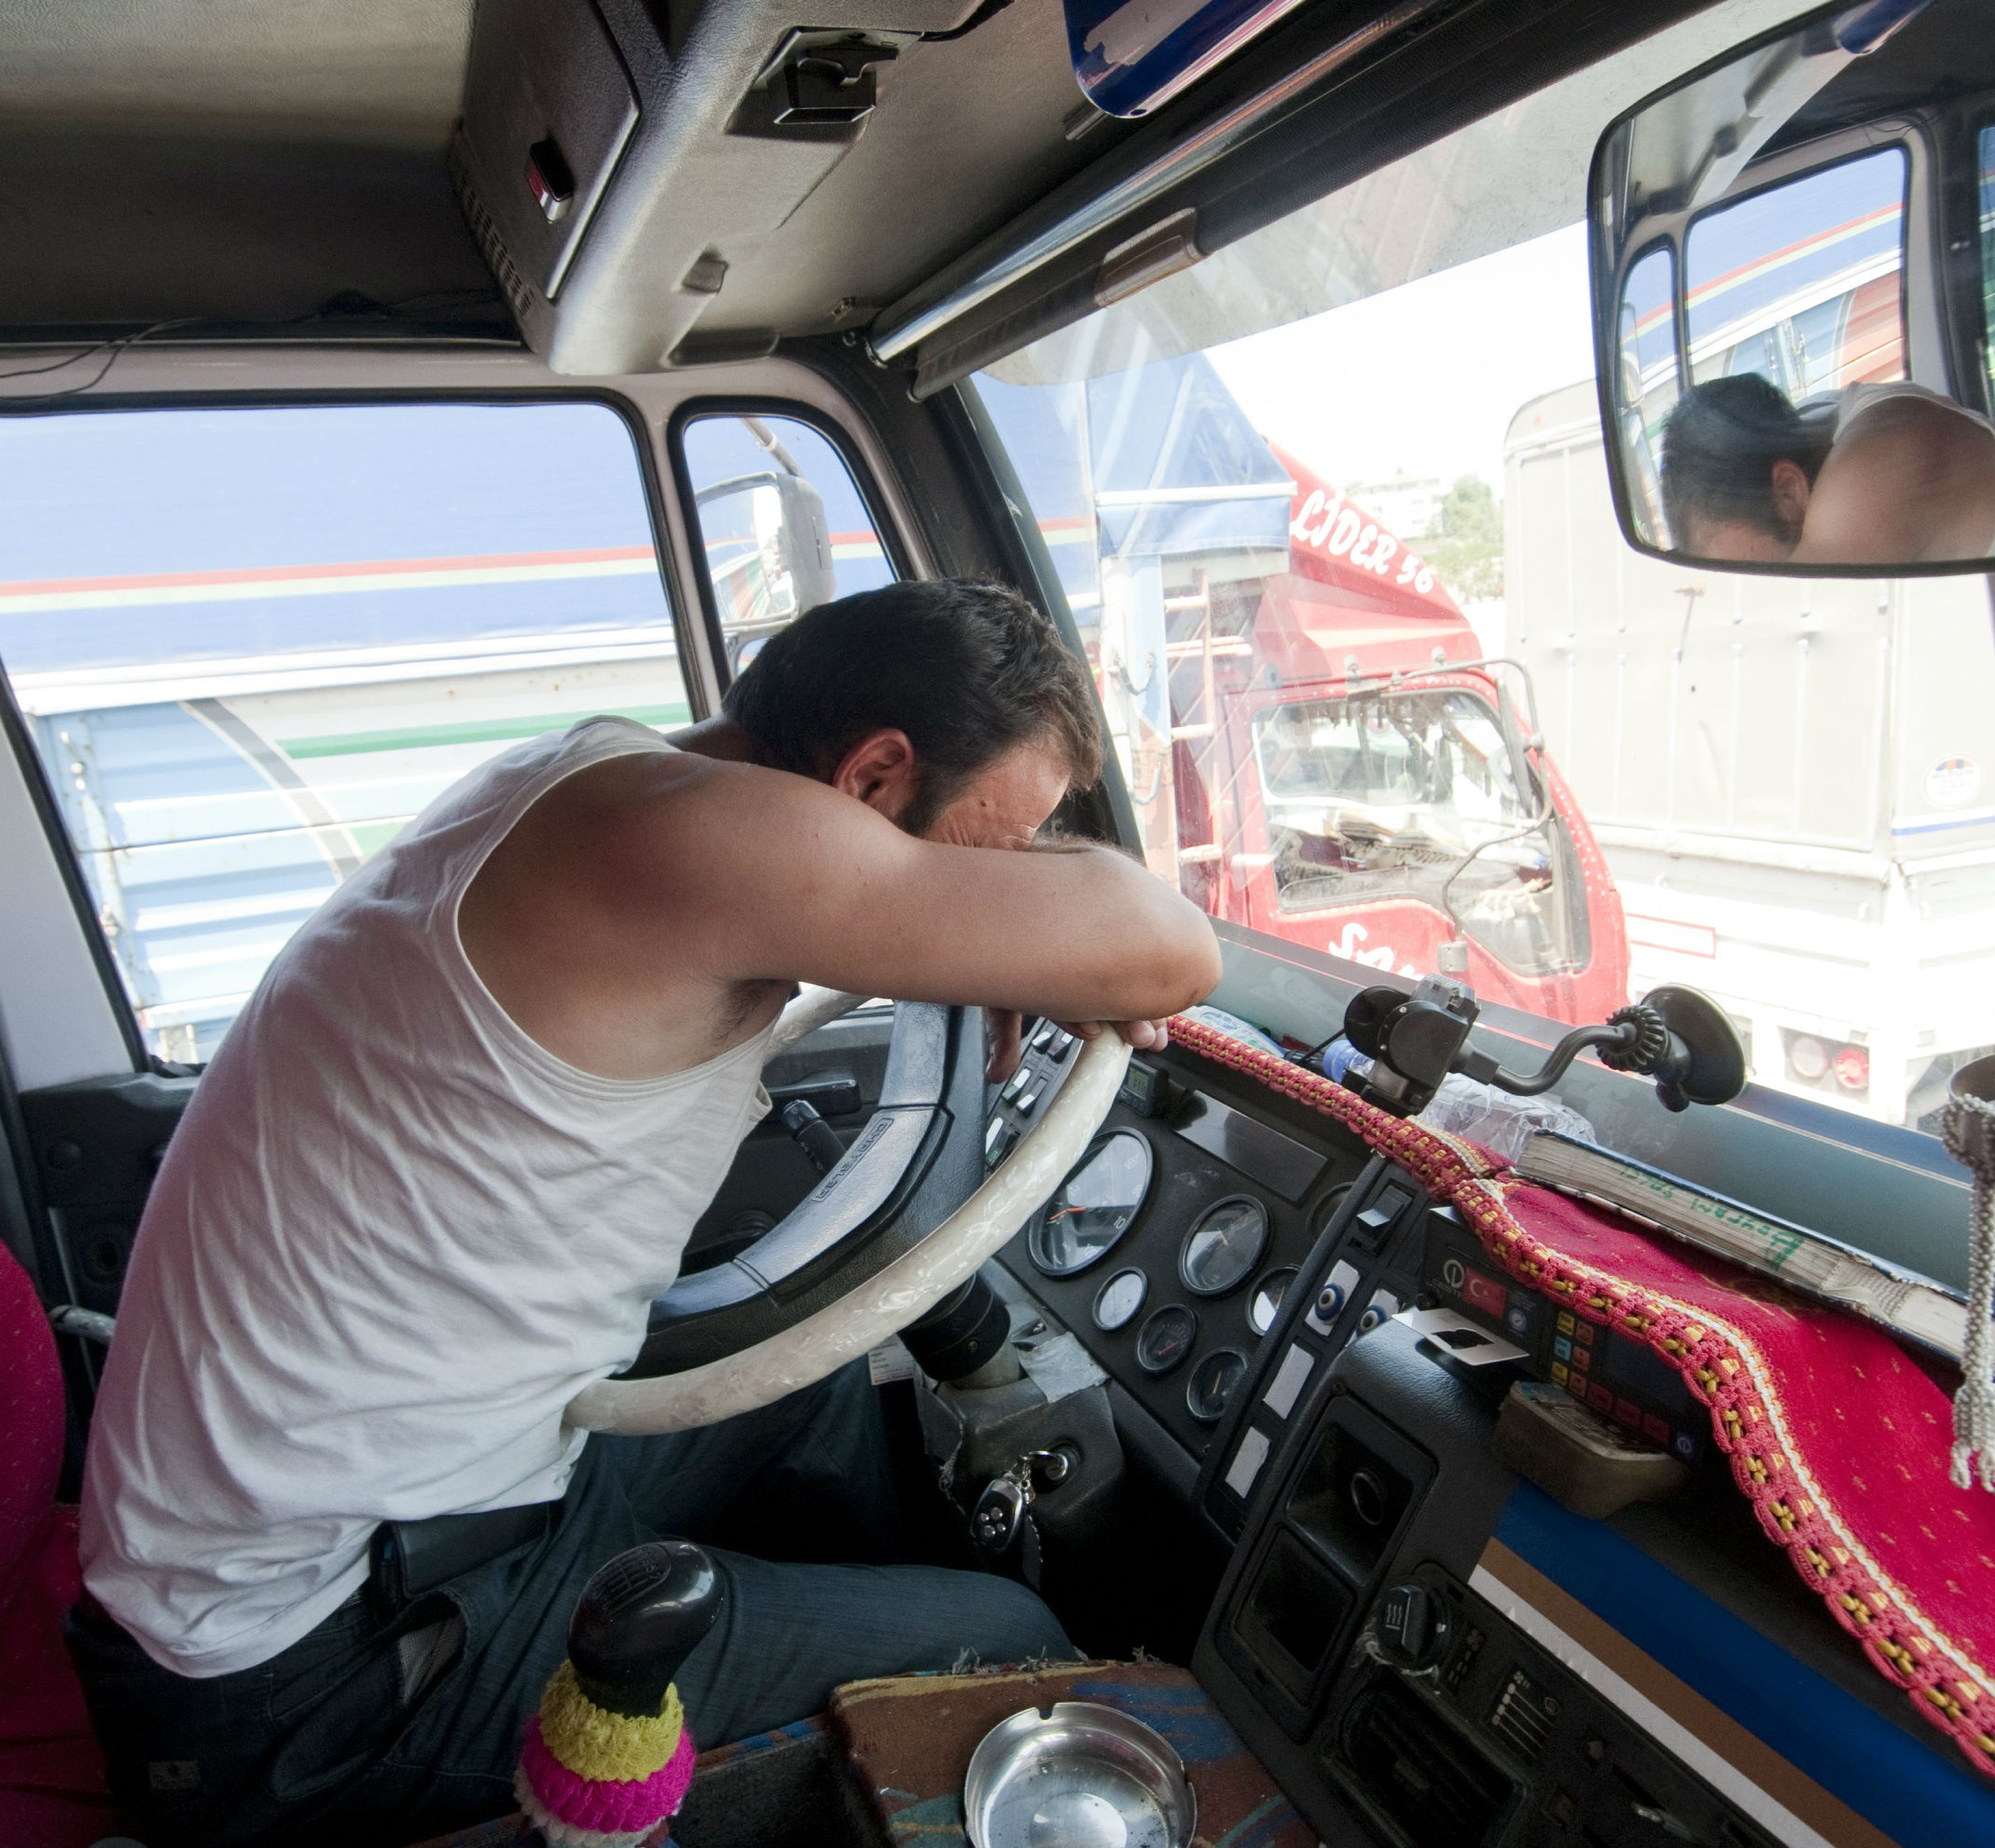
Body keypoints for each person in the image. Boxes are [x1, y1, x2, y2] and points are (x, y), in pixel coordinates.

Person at [69, 578, 1223, 1848]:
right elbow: (1169, 950)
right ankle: (871, 1690)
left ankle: (826, 1666)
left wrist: (986, 905)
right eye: (1000, 848)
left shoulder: (605, 780)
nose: (1008, 887)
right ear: (875, 777)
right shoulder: (703, 845)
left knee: (811, 1390)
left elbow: (1052, 928)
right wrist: (1039, 928)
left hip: (362, 1530)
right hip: (307, 1675)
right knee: (1015, 1658)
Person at [1659, 372, 1995, 564]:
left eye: (1751, 574)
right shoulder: (1814, 429)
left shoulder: (1873, 468)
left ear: (1789, 491)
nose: (1746, 596)